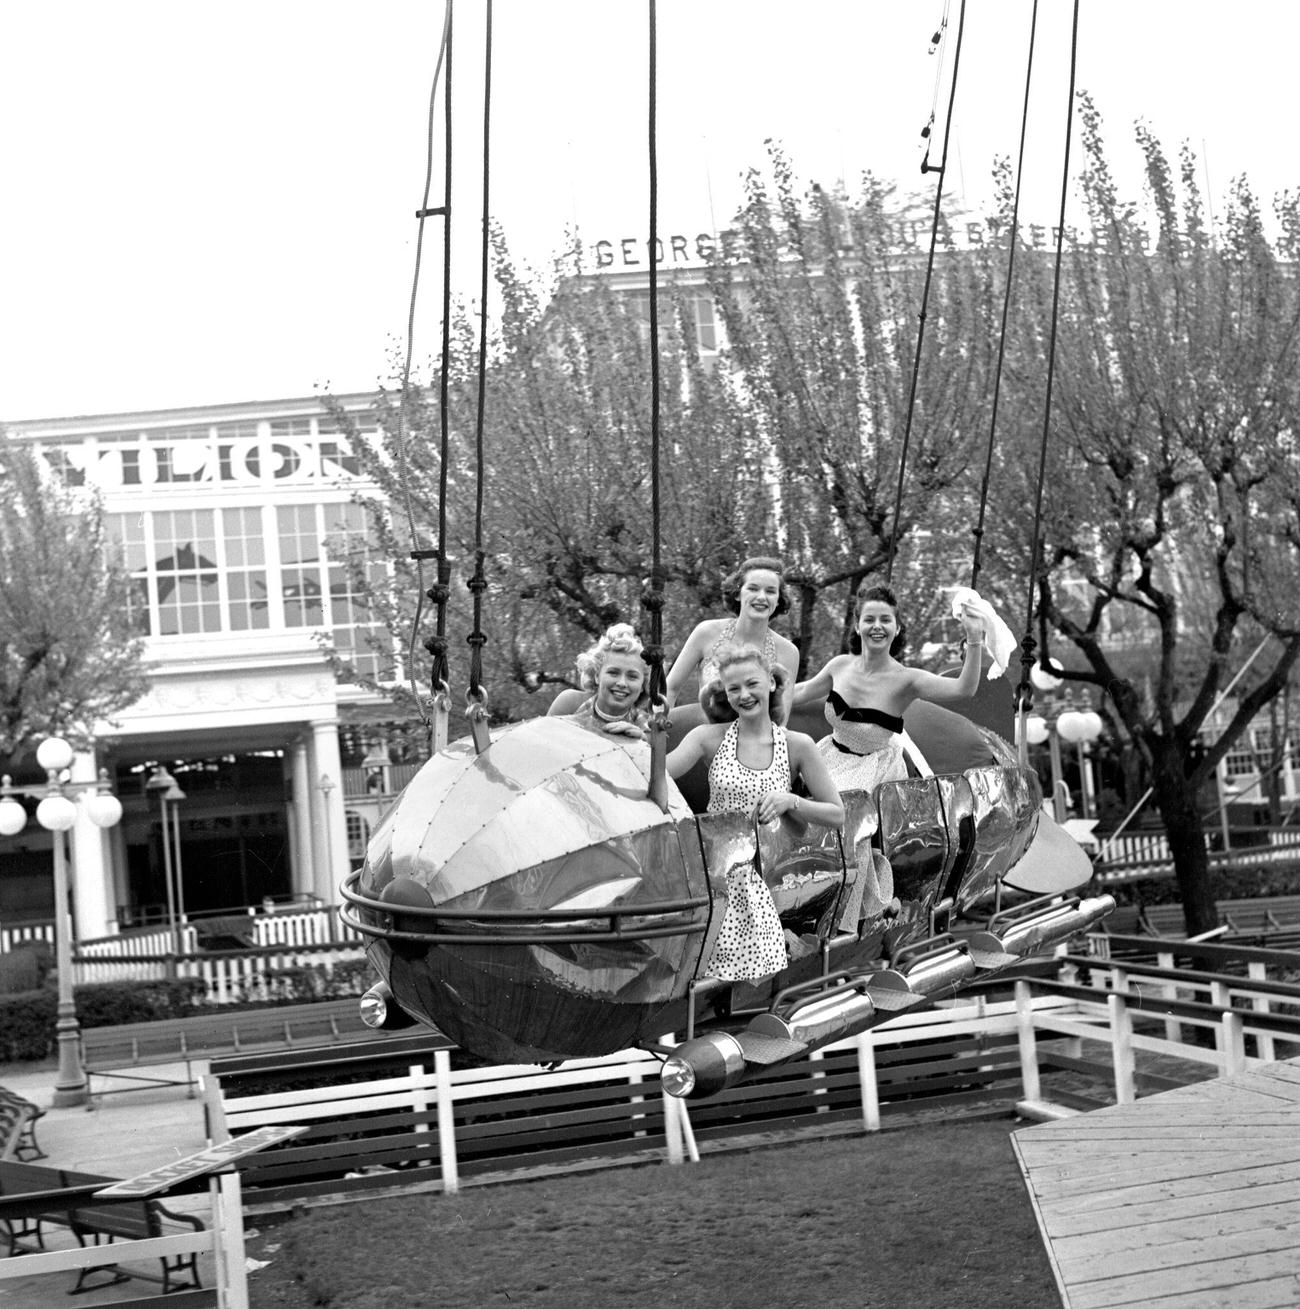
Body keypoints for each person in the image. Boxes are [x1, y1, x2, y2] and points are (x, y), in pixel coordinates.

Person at [667, 642, 844, 981]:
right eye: (734, 689)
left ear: (771, 683)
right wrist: (646, 737)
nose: (744, 695)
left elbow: (836, 814)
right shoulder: (709, 737)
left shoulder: (796, 745)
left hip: (765, 868)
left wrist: (791, 800)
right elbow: (661, 772)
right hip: (715, 865)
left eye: (752, 684)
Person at [791, 583, 987, 794]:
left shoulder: (907, 680)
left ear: (897, 628)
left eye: (885, 620)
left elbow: (963, 689)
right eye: (869, 619)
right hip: (829, 757)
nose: (877, 626)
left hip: (873, 772)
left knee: (836, 805)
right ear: (857, 626)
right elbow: (800, 692)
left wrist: (974, 637)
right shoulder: (839, 665)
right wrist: (763, 693)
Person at [664, 556, 800, 726]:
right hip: (707, 739)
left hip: (758, 745)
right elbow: (670, 688)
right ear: (738, 593)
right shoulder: (706, 632)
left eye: (771, 591)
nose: (761, 597)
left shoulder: (788, 651)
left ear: (779, 599)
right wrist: (658, 732)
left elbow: (781, 720)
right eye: (753, 588)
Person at [546, 623, 650, 738]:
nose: (622, 683)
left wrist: (640, 745)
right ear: (597, 676)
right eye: (613, 673)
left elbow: (653, 751)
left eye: (632, 676)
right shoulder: (570, 704)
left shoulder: (646, 725)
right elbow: (540, 743)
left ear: (642, 686)